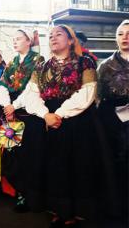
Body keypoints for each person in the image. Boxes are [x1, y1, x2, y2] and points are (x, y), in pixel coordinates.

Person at [23, 25, 110, 227]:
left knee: (77, 166)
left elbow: (87, 93)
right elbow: (32, 95)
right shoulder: (41, 65)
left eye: (59, 34)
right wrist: (46, 114)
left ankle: (77, 211)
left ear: (71, 40)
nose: (53, 38)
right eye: (50, 35)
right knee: (53, 166)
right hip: (47, 119)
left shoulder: (84, 62)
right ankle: (58, 209)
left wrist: (59, 114)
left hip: (76, 120)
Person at [0, 29, 45, 212]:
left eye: (18, 39)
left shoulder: (38, 60)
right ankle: (21, 193)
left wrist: (13, 106)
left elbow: (33, 88)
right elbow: (1, 85)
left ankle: (35, 196)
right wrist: (7, 105)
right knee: (14, 157)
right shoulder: (11, 63)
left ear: (28, 42)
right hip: (13, 115)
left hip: (31, 114)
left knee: (32, 156)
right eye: (13, 39)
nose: (15, 42)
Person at [97, 20, 129, 227]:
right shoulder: (105, 65)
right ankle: (116, 210)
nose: (125, 37)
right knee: (115, 164)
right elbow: (98, 97)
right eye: (120, 34)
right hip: (112, 120)